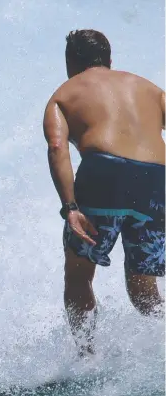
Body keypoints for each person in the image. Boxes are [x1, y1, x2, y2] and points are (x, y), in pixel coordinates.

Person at [42, 29, 165, 357]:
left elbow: (57, 147)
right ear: (109, 60)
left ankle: (87, 358)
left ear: (71, 61)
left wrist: (70, 206)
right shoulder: (150, 90)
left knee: (79, 276)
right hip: (156, 180)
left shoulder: (64, 95)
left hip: (104, 176)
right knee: (142, 286)